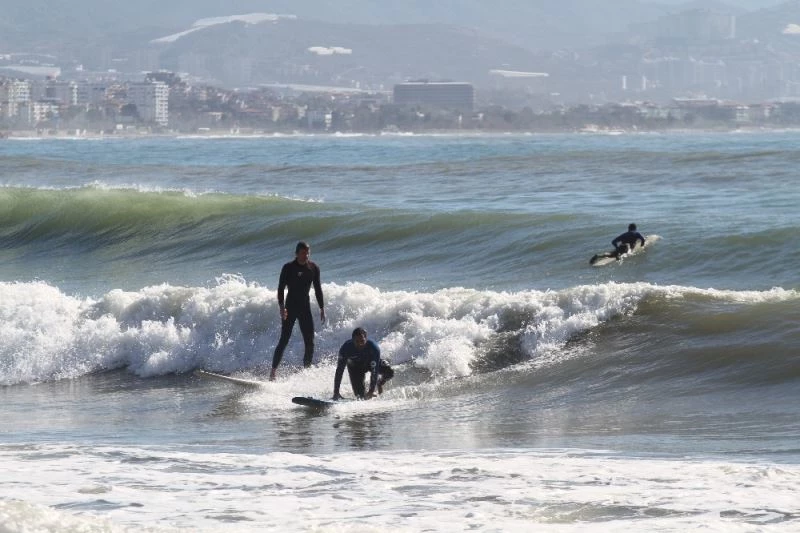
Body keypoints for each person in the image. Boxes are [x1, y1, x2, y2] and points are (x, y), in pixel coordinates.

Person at [269, 241, 325, 381]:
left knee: (310, 342)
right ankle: (273, 372)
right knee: (284, 339)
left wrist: (322, 307)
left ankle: (306, 372)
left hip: (304, 308)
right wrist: (282, 308)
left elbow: (318, 288)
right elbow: (281, 288)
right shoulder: (288, 267)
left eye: (308, 253)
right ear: (296, 253)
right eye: (303, 253)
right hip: (290, 308)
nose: (306, 255)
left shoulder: (313, 268)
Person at [332, 327, 394, 401]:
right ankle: (363, 394)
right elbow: (339, 370)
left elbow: (375, 371)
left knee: (389, 371)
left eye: (362, 341)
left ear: (366, 339)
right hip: (355, 368)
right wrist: (336, 392)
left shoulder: (373, 347)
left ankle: (379, 383)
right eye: (357, 341)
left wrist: (371, 390)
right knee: (360, 397)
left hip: (369, 364)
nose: (360, 344)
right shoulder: (345, 348)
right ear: (352, 340)